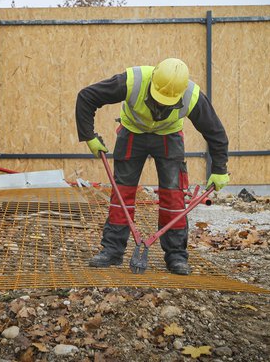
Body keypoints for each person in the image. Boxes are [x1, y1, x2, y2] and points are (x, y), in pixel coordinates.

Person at [75, 58, 230, 275]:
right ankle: (112, 250)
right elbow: (87, 96)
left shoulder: (192, 96)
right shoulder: (132, 82)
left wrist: (220, 169)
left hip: (168, 136)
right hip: (132, 132)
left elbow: (215, 132)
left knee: (173, 196)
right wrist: (89, 137)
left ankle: (176, 256)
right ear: (153, 82)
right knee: (122, 192)